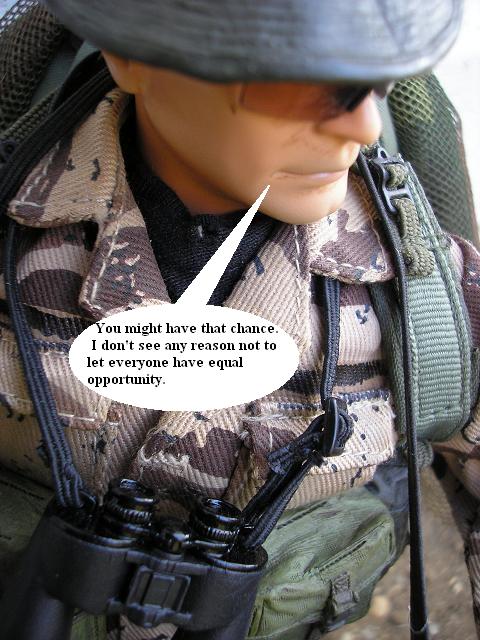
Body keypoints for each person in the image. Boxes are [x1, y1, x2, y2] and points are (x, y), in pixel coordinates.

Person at [0, 1, 479, 639]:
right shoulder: (14, 228)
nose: (364, 126)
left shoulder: (421, 289)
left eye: (378, 81)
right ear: (133, 57)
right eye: (298, 82)